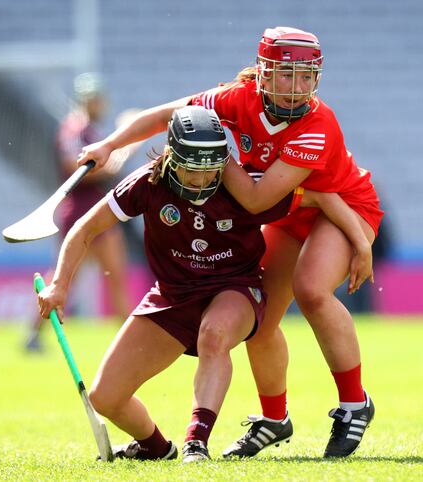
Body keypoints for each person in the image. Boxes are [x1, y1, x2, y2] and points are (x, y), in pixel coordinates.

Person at [76, 26, 383, 458]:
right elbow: (168, 116)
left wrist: (361, 239)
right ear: (262, 73)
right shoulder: (233, 99)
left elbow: (257, 198)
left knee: (311, 290)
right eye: (284, 75)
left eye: (305, 77)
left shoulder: (317, 125)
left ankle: (354, 403)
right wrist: (108, 145)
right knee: (260, 322)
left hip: (342, 207)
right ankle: (275, 419)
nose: (296, 88)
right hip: (292, 209)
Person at [25, 73, 134, 351]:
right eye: (98, 100)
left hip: (87, 210)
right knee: (78, 278)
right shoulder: (76, 129)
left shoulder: (86, 129)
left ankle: (33, 334)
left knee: (75, 277)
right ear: (89, 100)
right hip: (85, 212)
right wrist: (117, 160)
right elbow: (74, 168)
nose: (101, 105)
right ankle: (130, 342)